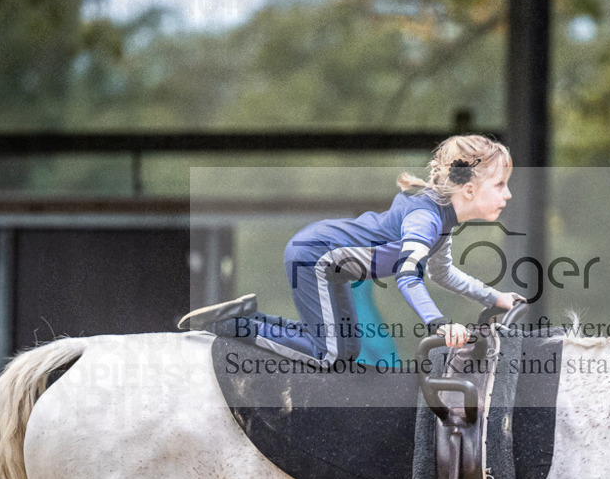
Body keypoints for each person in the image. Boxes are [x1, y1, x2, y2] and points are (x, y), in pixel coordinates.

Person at [178, 135, 524, 362]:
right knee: (332, 354)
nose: (507, 194)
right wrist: (439, 325)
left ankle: (246, 319)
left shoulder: (442, 219)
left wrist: (494, 298)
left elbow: (442, 272)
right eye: (500, 184)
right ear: (468, 191)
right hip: (315, 256)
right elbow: (408, 277)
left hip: (327, 263)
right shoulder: (426, 218)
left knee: (347, 348)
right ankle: (236, 327)